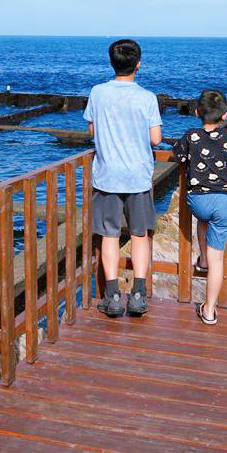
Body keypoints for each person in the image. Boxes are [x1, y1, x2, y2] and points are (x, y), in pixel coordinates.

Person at [84, 39, 163, 317]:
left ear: (112, 63)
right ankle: (139, 294)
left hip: (107, 176)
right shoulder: (147, 97)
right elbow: (156, 138)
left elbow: (92, 132)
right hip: (138, 177)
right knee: (140, 235)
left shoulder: (98, 92)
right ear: (138, 65)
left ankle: (113, 295)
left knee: (108, 235)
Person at [171, 90, 227, 325]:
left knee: (202, 220)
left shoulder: (191, 136)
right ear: (225, 115)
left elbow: (175, 154)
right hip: (223, 201)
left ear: (197, 113)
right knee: (219, 260)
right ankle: (209, 310)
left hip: (197, 201)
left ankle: (203, 260)